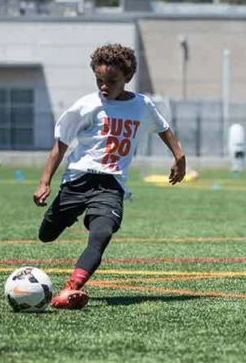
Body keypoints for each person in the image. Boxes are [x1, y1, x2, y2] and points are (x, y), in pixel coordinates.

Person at [33, 44, 186, 309]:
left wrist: (179, 156)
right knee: (46, 234)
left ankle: (71, 289)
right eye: (99, 80)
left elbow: (163, 128)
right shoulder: (87, 105)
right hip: (77, 181)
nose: (104, 86)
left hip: (111, 185)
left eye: (111, 81)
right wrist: (45, 180)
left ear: (127, 77)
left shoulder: (141, 105)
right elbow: (61, 143)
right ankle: (72, 213)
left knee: (101, 235)